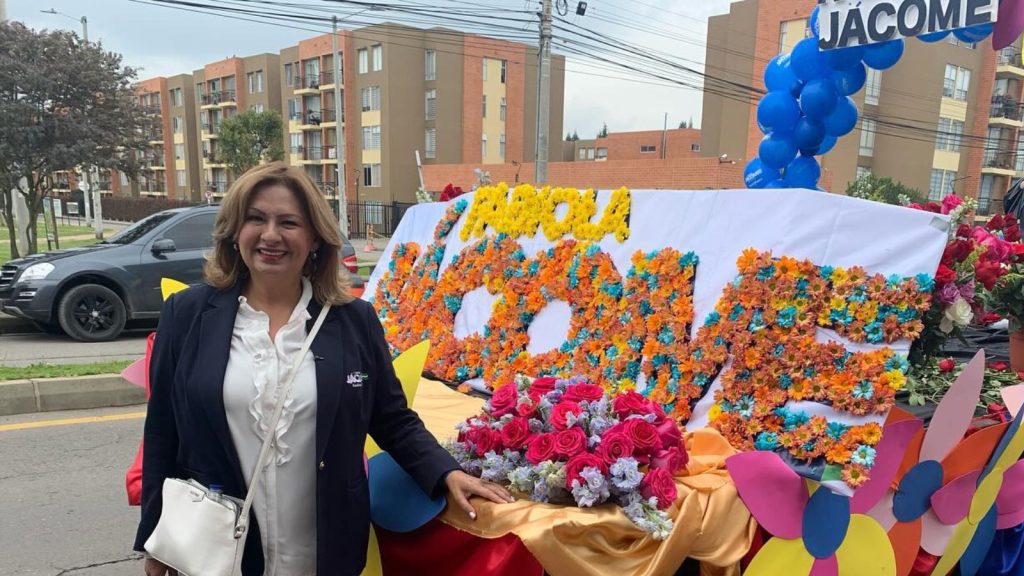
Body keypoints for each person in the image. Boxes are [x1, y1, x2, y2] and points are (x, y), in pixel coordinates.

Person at [135, 162, 512, 576]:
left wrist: (446, 473)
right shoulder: (187, 316)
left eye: (289, 222)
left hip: (324, 547)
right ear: (234, 231)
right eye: (256, 218)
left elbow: (392, 419)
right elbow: (161, 435)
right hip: (216, 550)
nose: (271, 235)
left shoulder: (354, 322)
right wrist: (157, 537)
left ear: (315, 237)